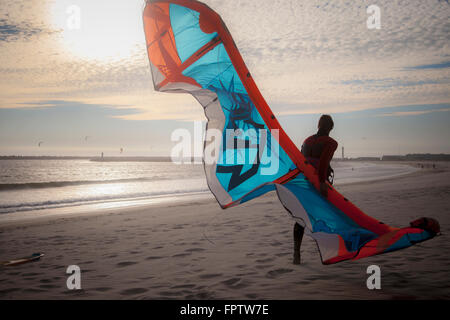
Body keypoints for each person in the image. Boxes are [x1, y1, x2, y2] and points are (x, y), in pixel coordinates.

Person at [293, 114, 338, 265]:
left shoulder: (307, 141)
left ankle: (296, 253)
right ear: (330, 128)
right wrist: (322, 183)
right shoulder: (331, 142)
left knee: (301, 217)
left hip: (303, 183)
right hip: (318, 183)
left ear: (318, 125)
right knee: (325, 215)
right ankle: (327, 251)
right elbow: (323, 162)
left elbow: (302, 161)